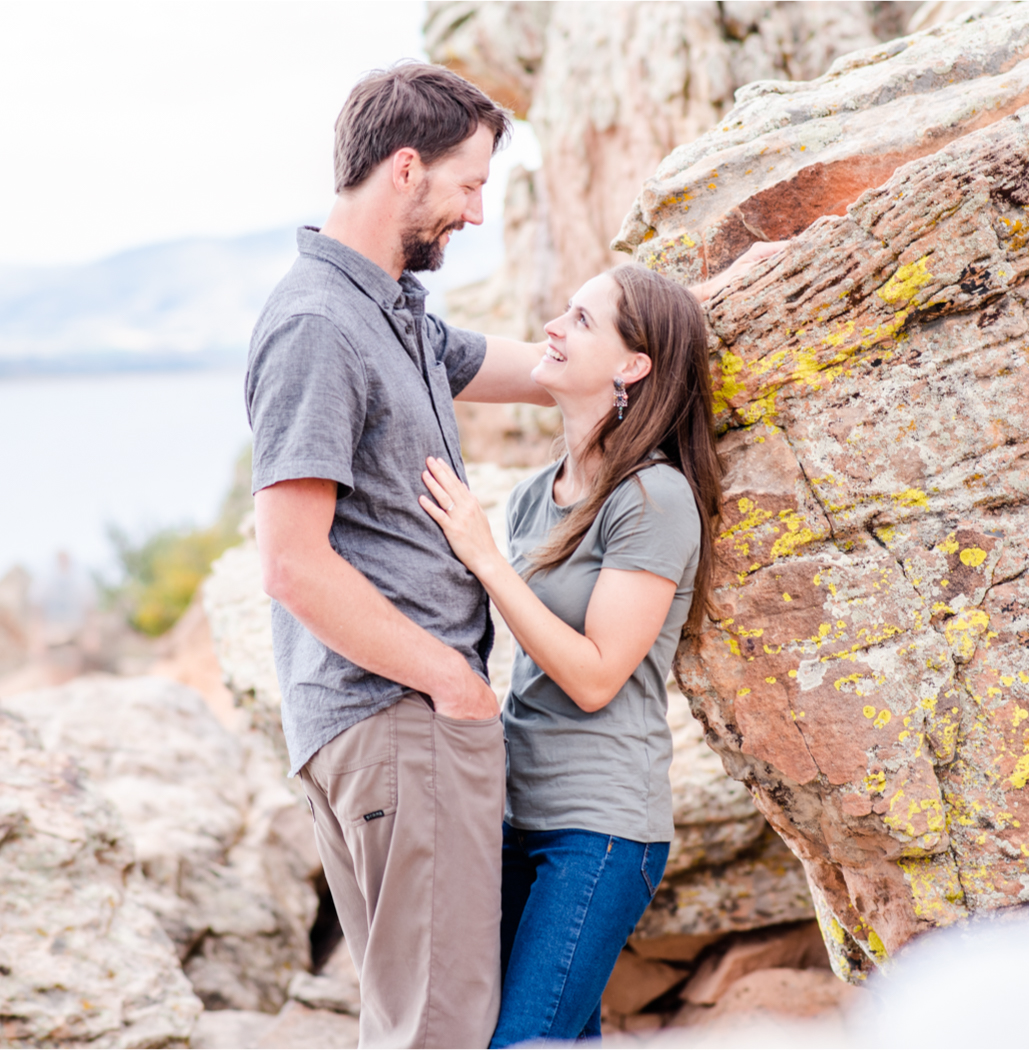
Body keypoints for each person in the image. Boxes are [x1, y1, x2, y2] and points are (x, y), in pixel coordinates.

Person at [246, 63, 554, 1049]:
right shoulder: (317, 327)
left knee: (424, 1013)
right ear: (407, 170)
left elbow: (516, 369)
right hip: (398, 716)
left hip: (402, 720)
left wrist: (651, 347)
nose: (476, 212)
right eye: (470, 185)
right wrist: (453, 689)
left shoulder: (391, 310)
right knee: (439, 1026)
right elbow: (291, 563)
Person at [417, 261, 761, 1046]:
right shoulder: (538, 496)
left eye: (580, 319)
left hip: (600, 829)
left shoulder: (655, 497)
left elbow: (597, 674)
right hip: (513, 810)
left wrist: (484, 556)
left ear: (633, 366)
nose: (552, 327)